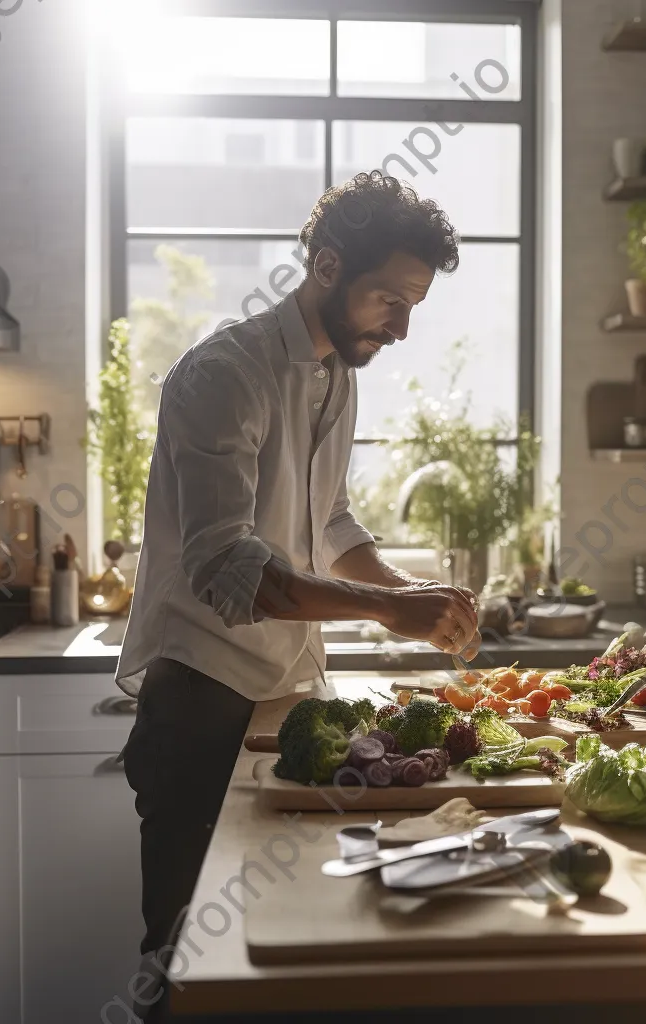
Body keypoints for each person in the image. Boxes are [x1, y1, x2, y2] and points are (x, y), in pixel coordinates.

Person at [115, 169, 478, 1018]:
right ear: (325, 267)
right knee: (183, 958)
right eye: (389, 299)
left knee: (285, 939)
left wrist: (405, 586)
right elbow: (228, 566)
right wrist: (391, 612)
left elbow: (331, 520)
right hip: (202, 702)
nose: (403, 326)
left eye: (415, 304)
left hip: (287, 700)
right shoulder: (221, 377)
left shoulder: (335, 375)